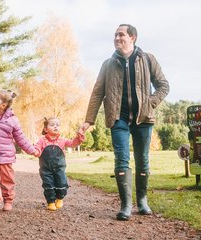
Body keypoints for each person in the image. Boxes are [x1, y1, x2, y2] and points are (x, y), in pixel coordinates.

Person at [79, 24, 169, 221]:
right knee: (121, 159)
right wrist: (89, 120)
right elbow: (97, 92)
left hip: (143, 119)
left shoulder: (147, 59)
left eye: (121, 35)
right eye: (115, 35)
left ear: (132, 37)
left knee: (142, 159)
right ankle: (126, 205)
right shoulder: (108, 64)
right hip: (118, 118)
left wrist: (150, 103)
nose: (117, 38)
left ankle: (143, 201)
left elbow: (163, 85)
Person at [34, 117, 84, 211]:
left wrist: (78, 138)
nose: (55, 127)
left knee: (61, 182)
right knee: (48, 184)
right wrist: (36, 151)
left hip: (59, 168)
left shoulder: (62, 140)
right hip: (45, 168)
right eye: (52, 125)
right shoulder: (42, 140)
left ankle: (60, 198)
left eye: (57, 125)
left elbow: (73, 144)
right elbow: (37, 148)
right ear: (45, 129)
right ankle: (51, 202)